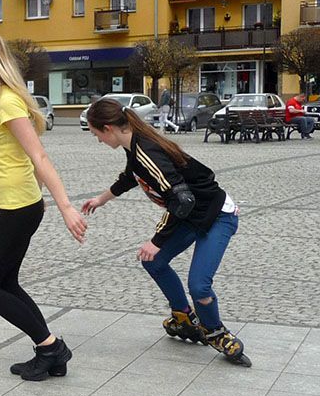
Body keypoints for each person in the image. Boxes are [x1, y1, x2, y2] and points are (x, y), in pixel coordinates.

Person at [81, 98, 251, 367]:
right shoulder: (135, 147)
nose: (98, 141)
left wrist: (157, 240)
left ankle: (215, 331)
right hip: (191, 215)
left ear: (108, 128)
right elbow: (131, 176)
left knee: (199, 285)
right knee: (154, 261)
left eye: (96, 134)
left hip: (217, 216)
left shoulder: (147, 151)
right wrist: (101, 199)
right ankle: (183, 317)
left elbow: (182, 199)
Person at [0, 32, 87, 381]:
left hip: (18, 208)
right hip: (16, 205)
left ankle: (50, 347)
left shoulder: (7, 103)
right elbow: (22, 156)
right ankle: (50, 351)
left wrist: (65, 207)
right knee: (7, 283)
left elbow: (38, 155)